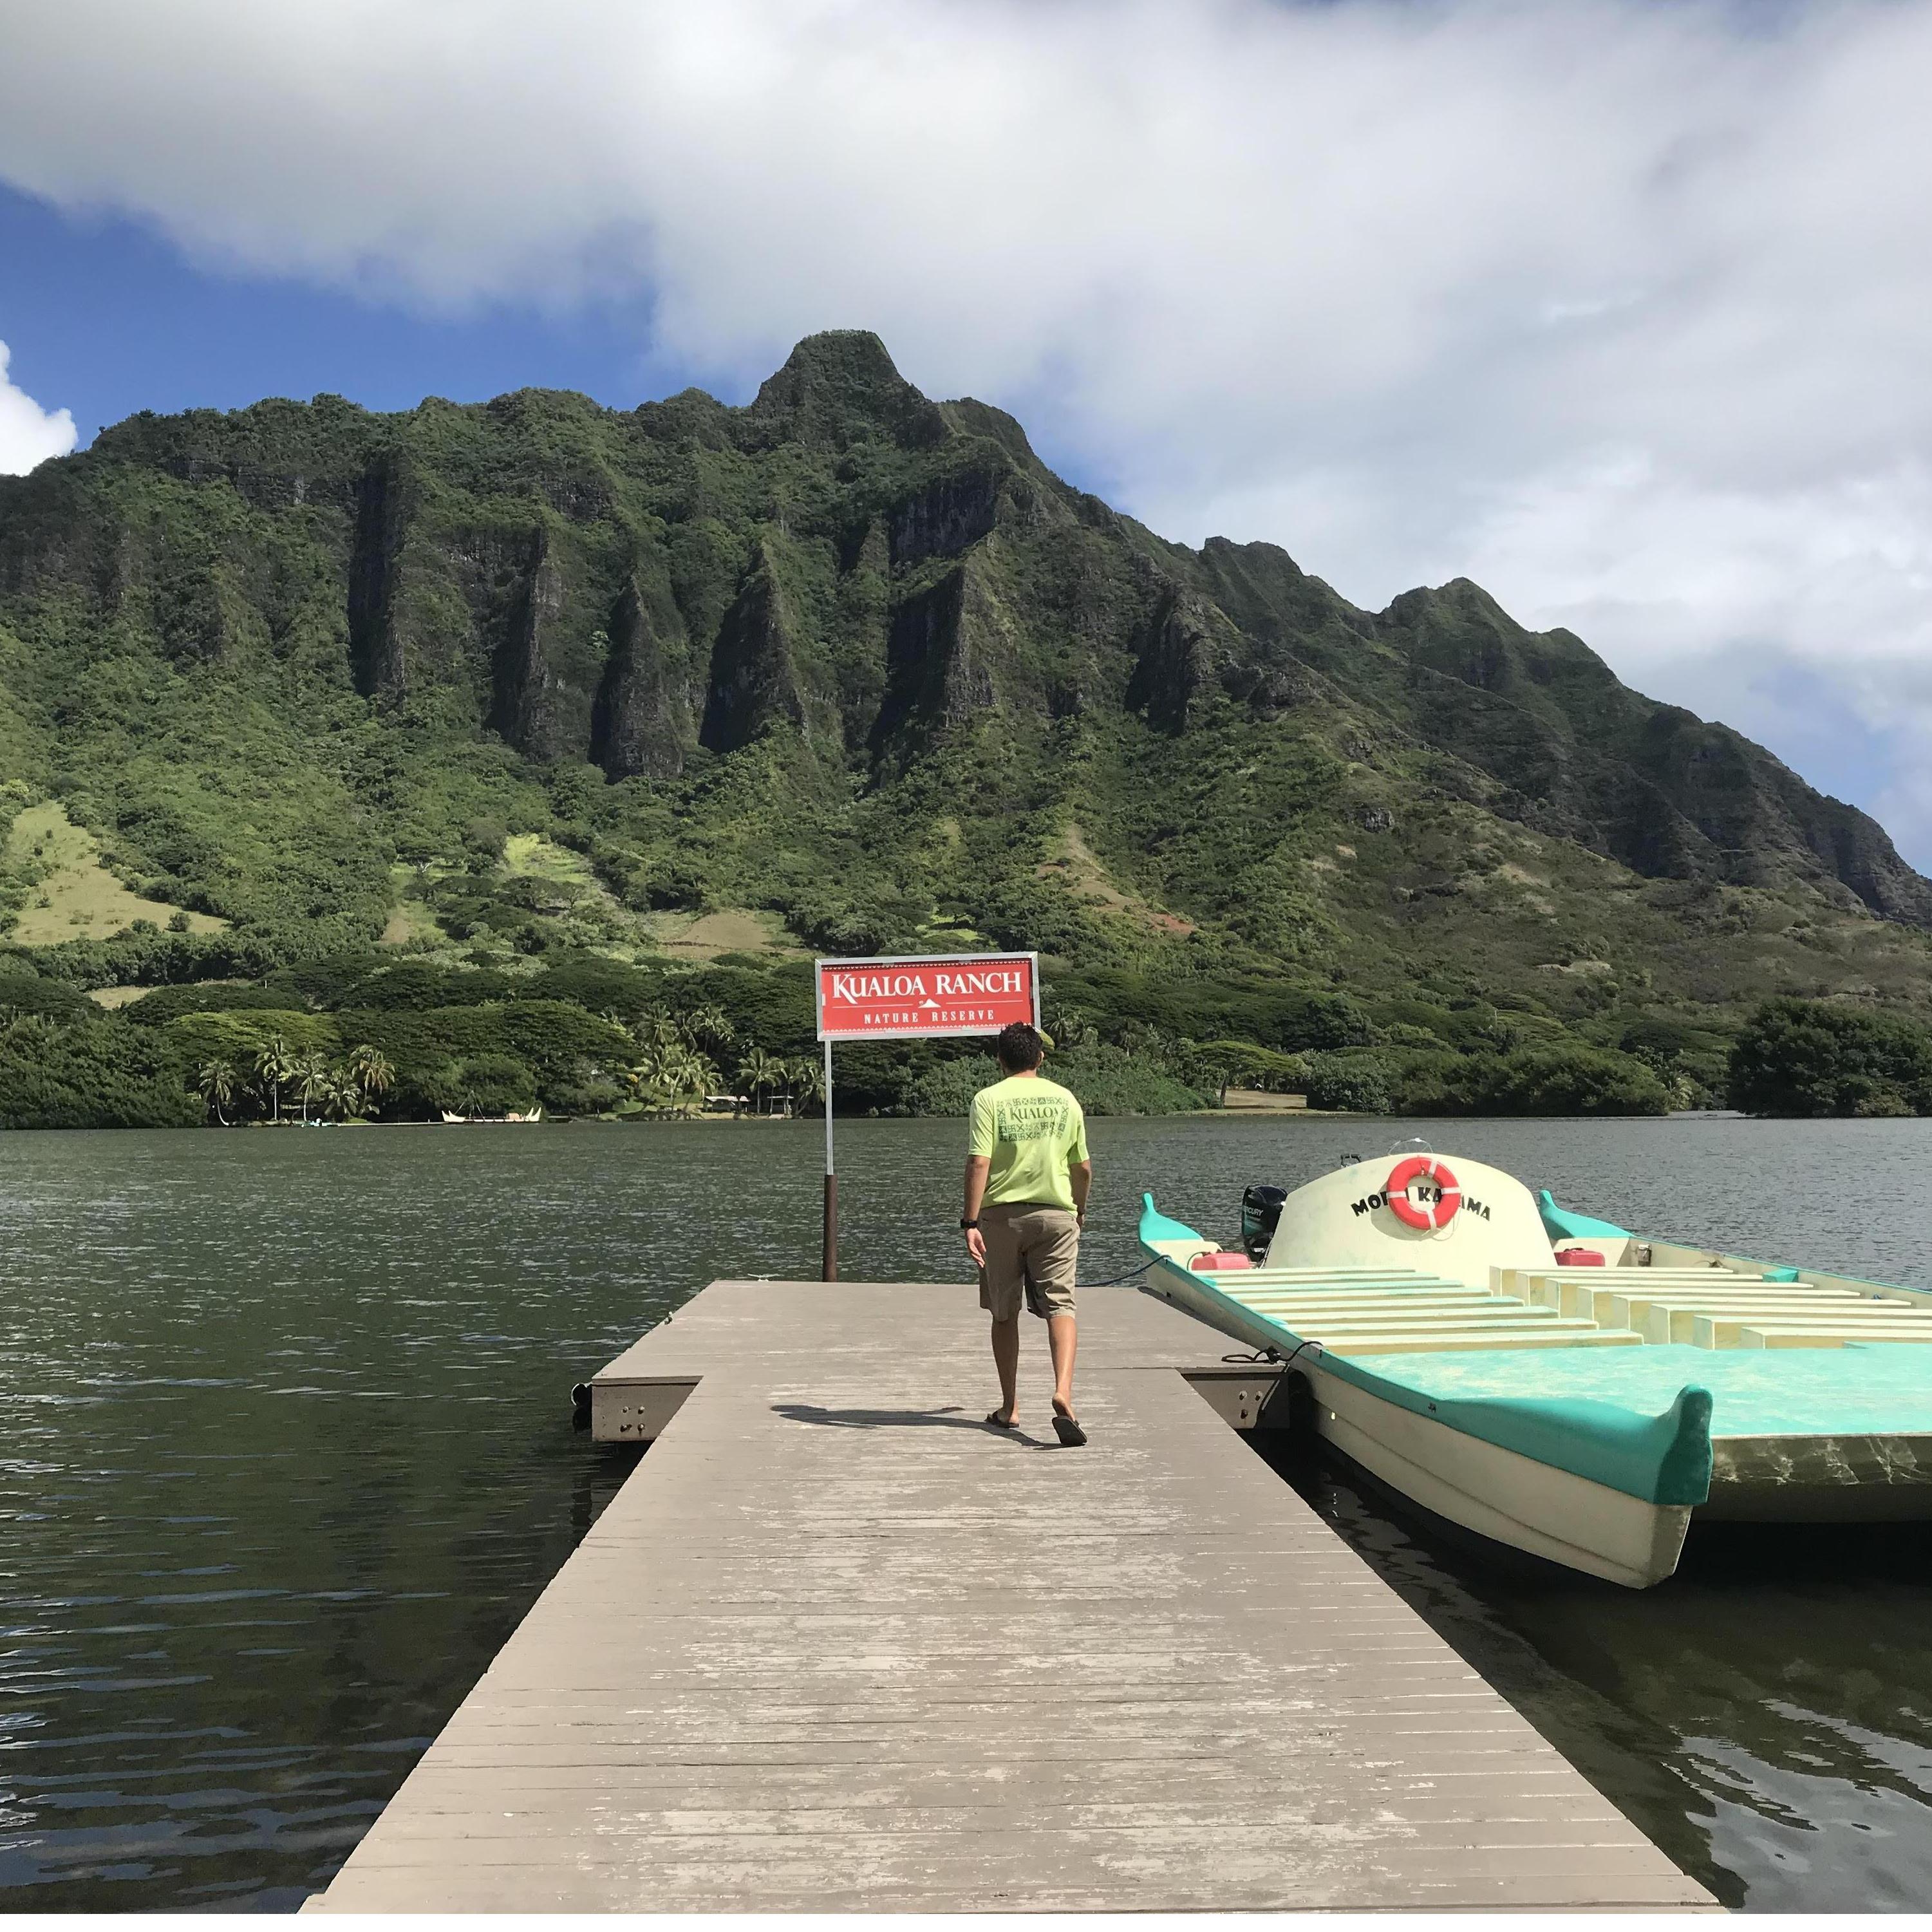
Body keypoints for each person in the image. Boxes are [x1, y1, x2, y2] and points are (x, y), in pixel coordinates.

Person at [961, 1020, 1092, 1445]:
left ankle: (1009, 1406)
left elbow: (979, 1162)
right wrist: (1079, 1210)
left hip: (1001, 1218)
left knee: (1004, 1312)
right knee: (1061, 1306)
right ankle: (1063, 1391)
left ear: (1000, 1059)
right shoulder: (1065, 1098)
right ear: (1039, 1057)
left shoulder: (988, 1099)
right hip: (1056, 1213)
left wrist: (969, 1221)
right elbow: (1083, 1167)